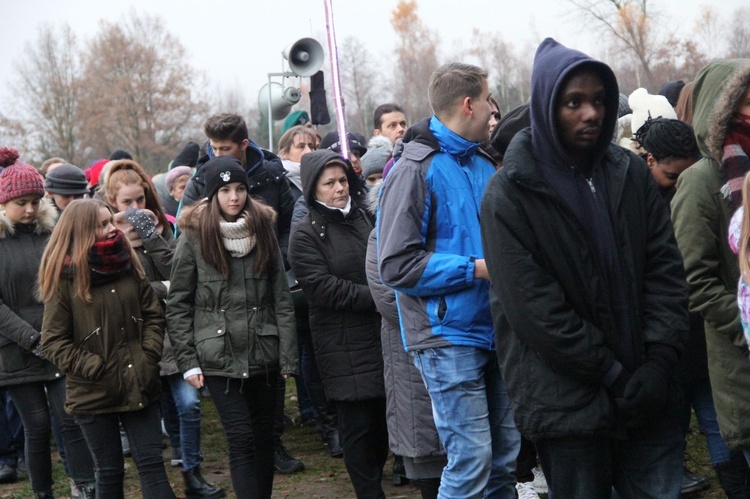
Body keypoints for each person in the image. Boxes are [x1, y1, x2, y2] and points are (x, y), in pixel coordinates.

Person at [479, 38, 689, 498]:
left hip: (650, 394)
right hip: (568, 405)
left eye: (598, 100)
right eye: (574, 102)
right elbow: (537, 312)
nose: (591, 114)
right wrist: (612, 373)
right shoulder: (508, 196)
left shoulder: (631, 174)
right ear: (546, 106)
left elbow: (665, 274)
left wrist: (657, 363)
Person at [377, 62, 520, 498]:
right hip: (446, 337)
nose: (494, 109)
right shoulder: (414, 169)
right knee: (471, 460)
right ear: (468, 104)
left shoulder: (483, 162)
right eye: (489, 98)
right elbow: (396, 266)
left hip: (496, 329)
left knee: (504, 458)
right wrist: (477, 268)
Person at [167, 155, 298, 499]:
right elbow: (178, 302)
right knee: (241, 438)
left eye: (239, 188)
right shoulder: (194, 237)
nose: (234, 197)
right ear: (212, 195)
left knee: (266, 435)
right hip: (218, 355)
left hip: (264, 350)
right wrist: (188, 360)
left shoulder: (263, 229)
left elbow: (281, 298)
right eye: (225, 190)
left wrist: (287, 357)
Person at [103, 159, 224, 498]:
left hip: (175, 335)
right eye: (127, 202)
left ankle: (192, 471)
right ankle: (161, 477)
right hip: (139, 338)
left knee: (188, 404)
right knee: (156, 410)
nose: (135, 208)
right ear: (113, 202)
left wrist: (151, 236)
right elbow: (131, 293)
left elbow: (180, 273)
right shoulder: (109, 239)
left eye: (140, 200)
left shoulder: (161, 230)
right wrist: (164, 289)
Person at [39, 198, 173, 499]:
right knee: (109, 472)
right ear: (83, 231)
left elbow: (153, 312)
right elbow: (53, 341)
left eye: (112, 221)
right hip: (93, 393)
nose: (113, 228)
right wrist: (95, 367)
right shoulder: (63, 279)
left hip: (141, 381)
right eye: (103, 224)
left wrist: (148, 353)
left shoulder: (127, 261)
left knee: (153, 466)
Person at [289, 149, 388, 498]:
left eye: (343, 180)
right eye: (329, 182)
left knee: (380, 425)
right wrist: (378, 297)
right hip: (341, 343)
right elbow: (323, 288)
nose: (339, 188)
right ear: (313, 189)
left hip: (380, 336)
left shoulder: (366, 218)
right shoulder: (305, 234)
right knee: (358, 427)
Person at [672, 58, 750, 494]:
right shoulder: (701, 182)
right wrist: (747, 322)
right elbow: (695, 281)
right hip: (742, 362)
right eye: (745, 100)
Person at [0, 148, 96, 499]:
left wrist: (59, 335)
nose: (29, 209)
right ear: (4, 203)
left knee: (71, 419)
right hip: (14, 349)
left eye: (35, 201)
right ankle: (42, 492)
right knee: (37, 426)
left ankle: (85, 487)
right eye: (21, 202)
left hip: (58, 343)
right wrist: (29, 337)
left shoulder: (53, 234)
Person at [179, 113, 295, 268]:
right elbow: (184, 237)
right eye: (213, 148)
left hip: (266, 272)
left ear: (243, 144)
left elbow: (291, 226)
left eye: (225, 149)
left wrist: (278, 261)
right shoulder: (199, 182)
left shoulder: (272, 178)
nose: (217, 155)